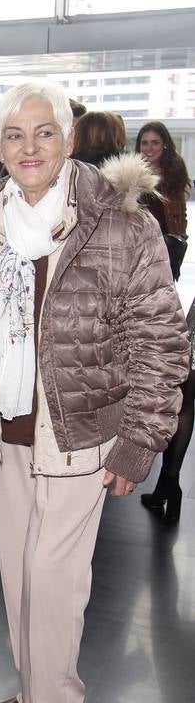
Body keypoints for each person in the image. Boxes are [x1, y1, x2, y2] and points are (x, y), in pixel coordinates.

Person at [0, 81, 189, 703]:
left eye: (43, 132)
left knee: (54, 580)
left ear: (68, 137)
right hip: (11, 424)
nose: (28, 147)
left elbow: (160, 337)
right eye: (13, 135)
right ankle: (33, 691)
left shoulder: (119, 221)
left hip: (83, 429)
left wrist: (140, 439)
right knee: (20, 576)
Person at [136, 120, 194, 521]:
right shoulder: (146, 179)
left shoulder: (164, 182)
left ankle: (166, 481)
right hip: (164, 286)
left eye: (156, 142)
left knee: (183, 389)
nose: (151, 148)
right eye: (145, 142)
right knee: (185, 389)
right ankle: (167, 483)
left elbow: (178, 236)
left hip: (157, 284)